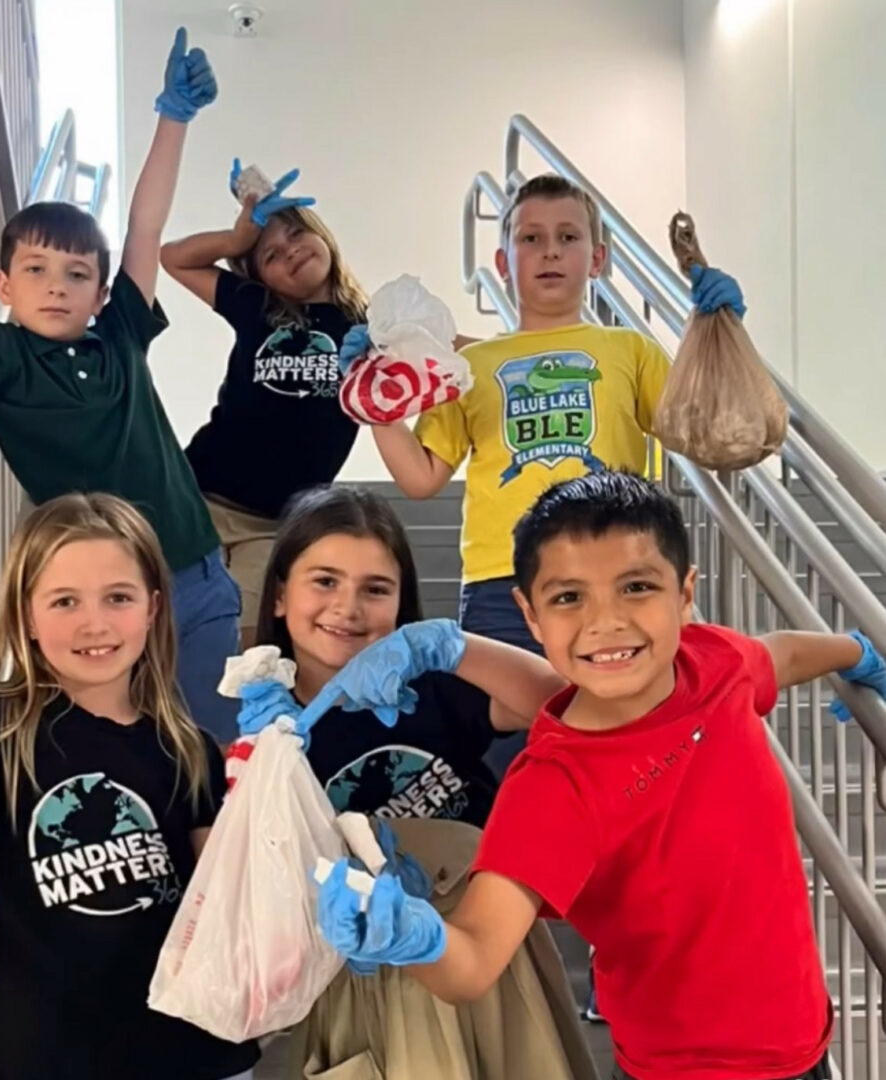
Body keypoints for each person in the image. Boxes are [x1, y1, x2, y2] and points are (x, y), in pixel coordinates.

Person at [310, 470, 886, 1080]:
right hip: (679, 1070)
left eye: (636, 587)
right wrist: (410, 935)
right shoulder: (552, 787)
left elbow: (782, 653)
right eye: (568, 597)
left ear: (684, 595)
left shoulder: (713, 661)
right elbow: (474, 958)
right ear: (530, 616)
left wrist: (859, 653)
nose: (605, 621)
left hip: (805, 1041)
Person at [0, 30, 241, 741]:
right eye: (35, 270)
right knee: (120, 750)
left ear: (101, 293)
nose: (56, 286)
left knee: (217, 752)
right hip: (97, 598)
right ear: (4, 285)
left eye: (76, 274)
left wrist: (173, 119)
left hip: (192, 576)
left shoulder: (121, 334)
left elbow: (146, 225)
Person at [0, 493, 260, 1080]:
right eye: (64, 601)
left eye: (118, 597)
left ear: (153, 608)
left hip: (196, 1055)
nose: (94, 623)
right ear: (26, 615)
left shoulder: (188, 746)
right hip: (54, 1058)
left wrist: (266, 786)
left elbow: (228, 901)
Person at [357, 173, 743, 660]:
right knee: (513, 711)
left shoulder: (631, 349)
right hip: (502, 581)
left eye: (568, 237)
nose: (551, 252)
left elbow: (701, 431)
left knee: (617, 706)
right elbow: (420, 477)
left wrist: (720, 333)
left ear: (597, 259)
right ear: (503, 263)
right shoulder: (469, 366)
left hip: (614, 566)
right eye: (531, 239)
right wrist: (374, 400)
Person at [252, 485, 565, 826]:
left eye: (375, 589)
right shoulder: (267, 721)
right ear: (280, 596)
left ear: (401, 600)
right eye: (326, 581)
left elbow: (562, 702)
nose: (348, 608)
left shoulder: (431, 685)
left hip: (478, 857)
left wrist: (451, 646)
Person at [159, 174, 370, 647]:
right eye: (271, 255)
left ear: (322, 235)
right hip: (199, 499)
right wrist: (237, 239)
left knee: (250, 644)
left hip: (276, 522)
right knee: (167, 627)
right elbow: (173, 257)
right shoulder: (258, 307)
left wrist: (516, 350)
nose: (290, 251)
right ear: (260, 277)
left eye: (296, 234)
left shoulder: (369, 325)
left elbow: (439, 345)